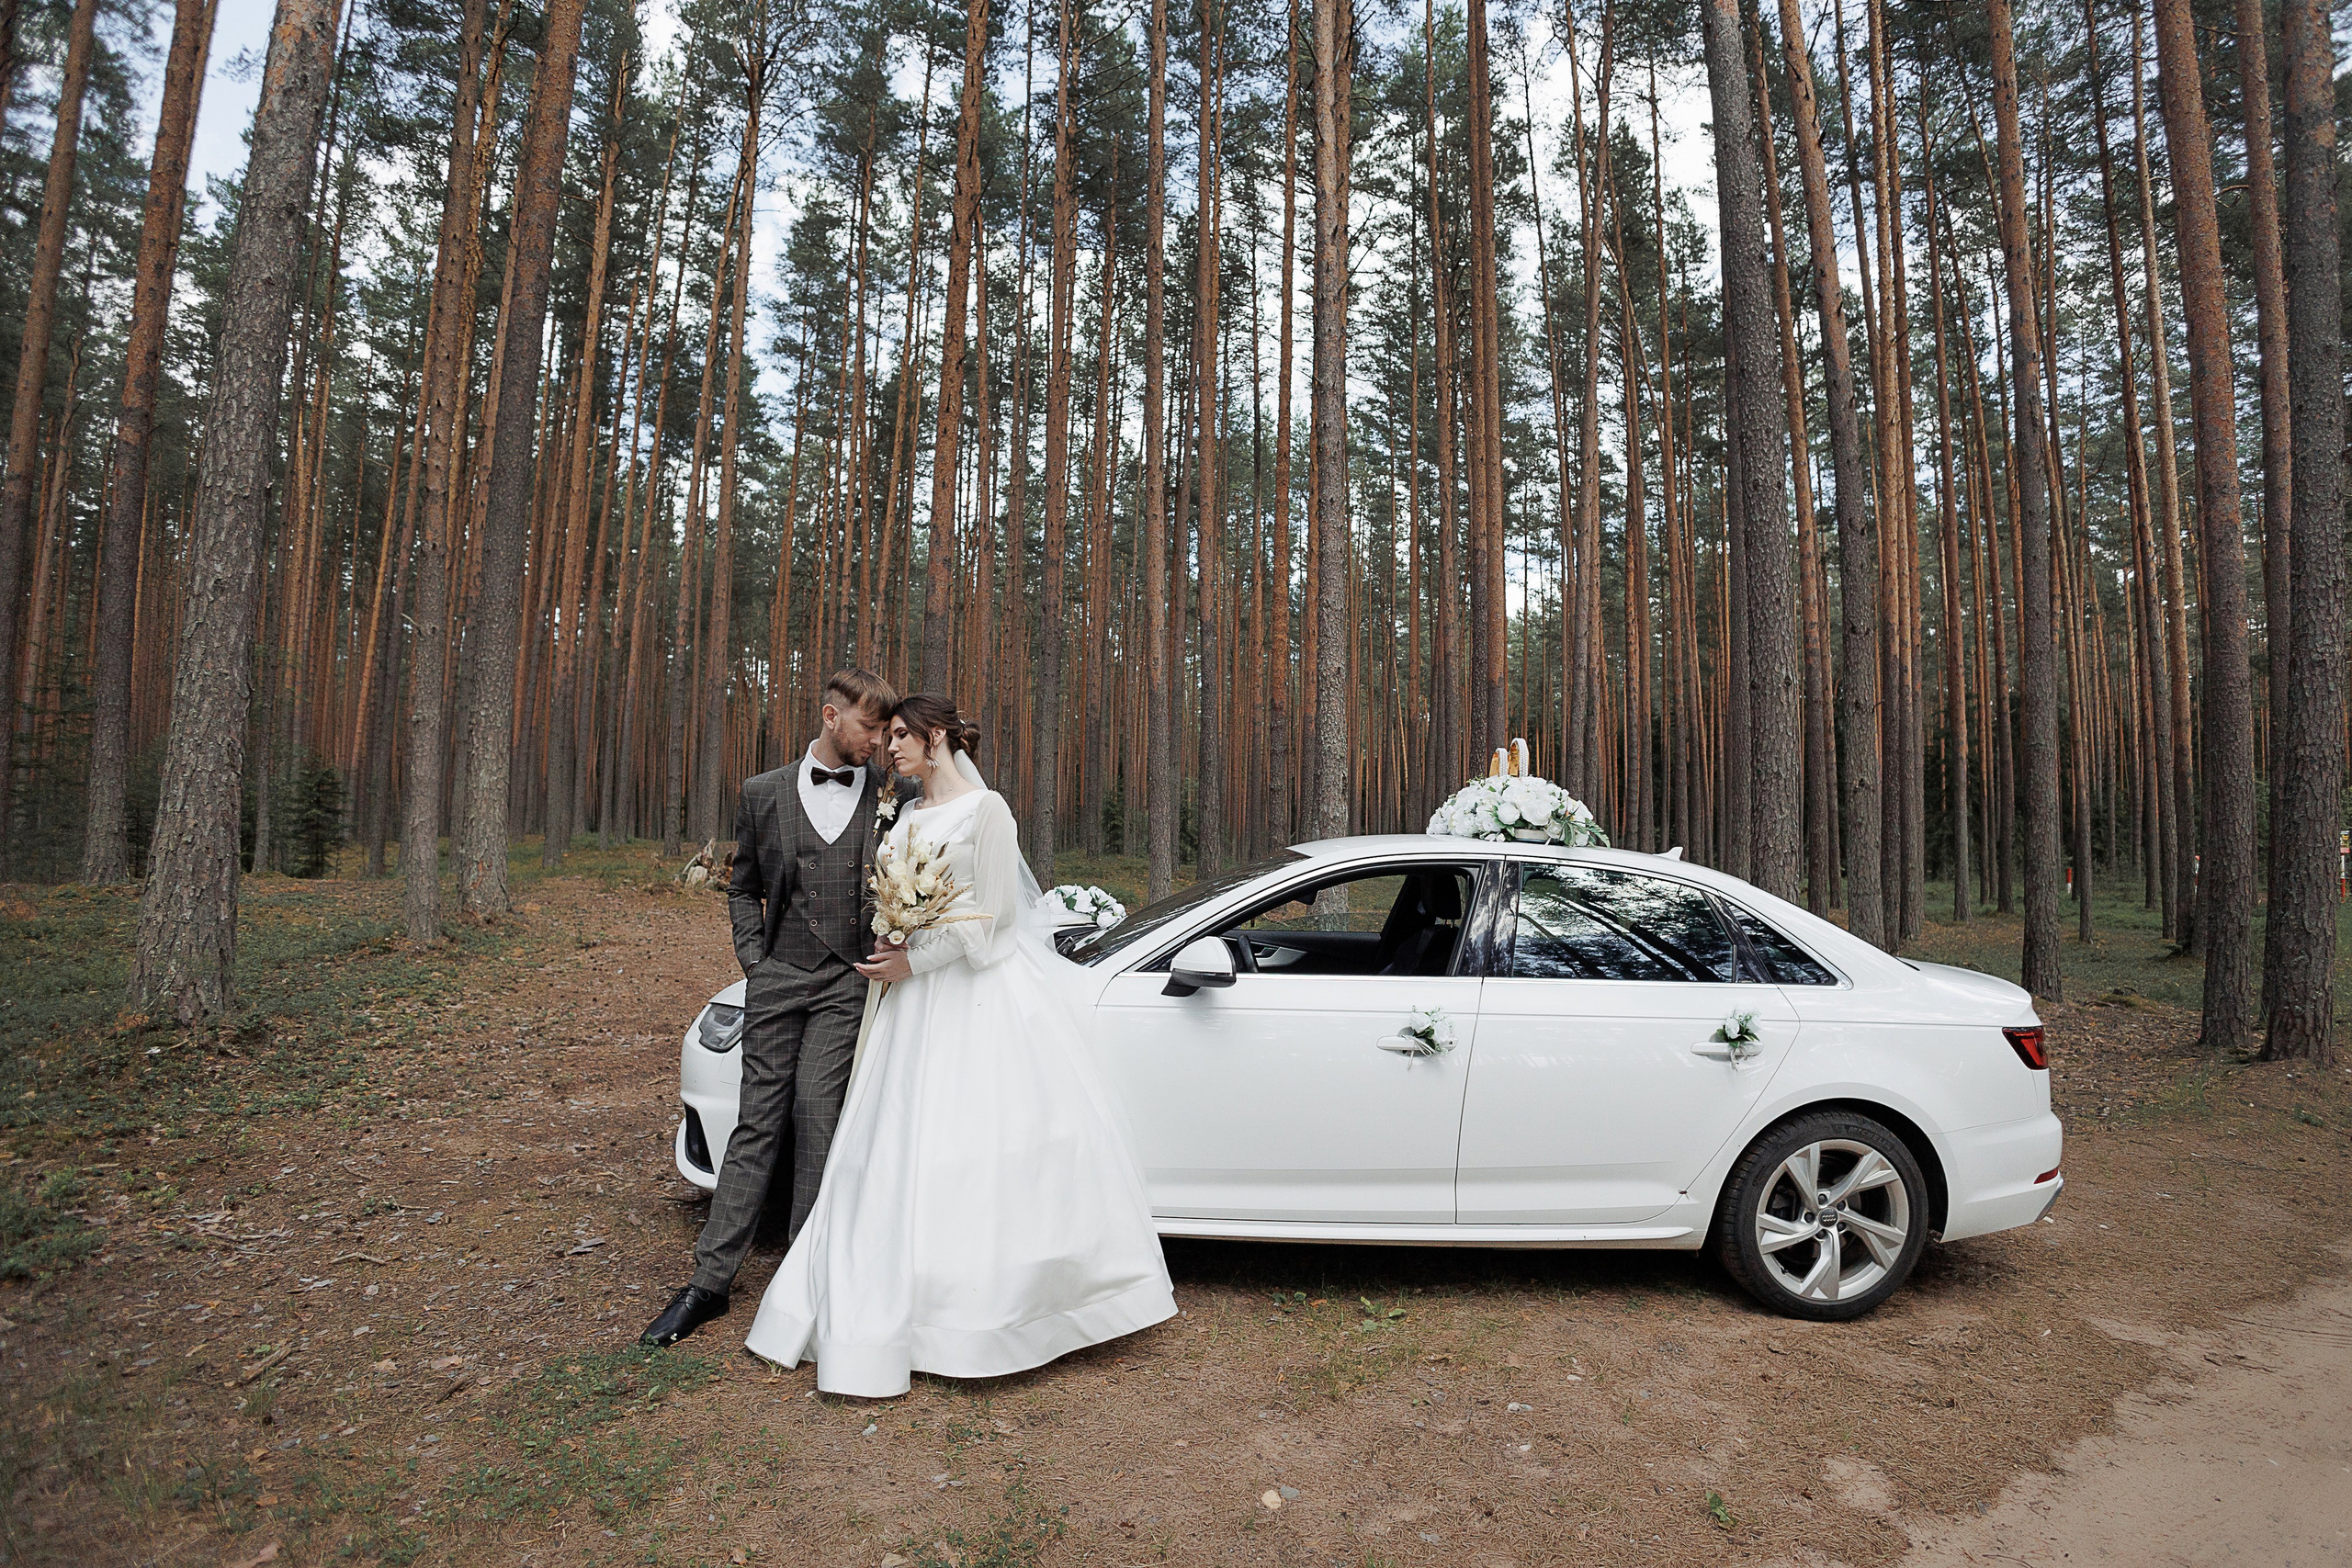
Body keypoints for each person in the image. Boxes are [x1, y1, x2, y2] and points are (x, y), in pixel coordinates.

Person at [741, 694, 1176, 1396]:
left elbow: (994, 922)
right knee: (891, 1145)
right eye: (888, 739)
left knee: (978, 1147)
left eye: (904, 737)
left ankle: (992, 1314)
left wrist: (916, 958)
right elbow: (894, 892)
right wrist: (891, 933)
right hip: (908, 1004)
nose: (892, 749)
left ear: (938, 736)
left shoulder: (987, 810)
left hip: (975, 996)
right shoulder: (907, 813)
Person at [640, 668, 915, 1348]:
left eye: (887, 730)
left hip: (848, 981)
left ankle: (805, 1273)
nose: (880, 740)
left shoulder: (894, 794)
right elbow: (743, 888)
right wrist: (756, 963)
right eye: (871, 727)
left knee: (817, 1112)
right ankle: (708, 1283)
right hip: (778, 977)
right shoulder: (762, 793)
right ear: (831, 716)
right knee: (756, 1123)